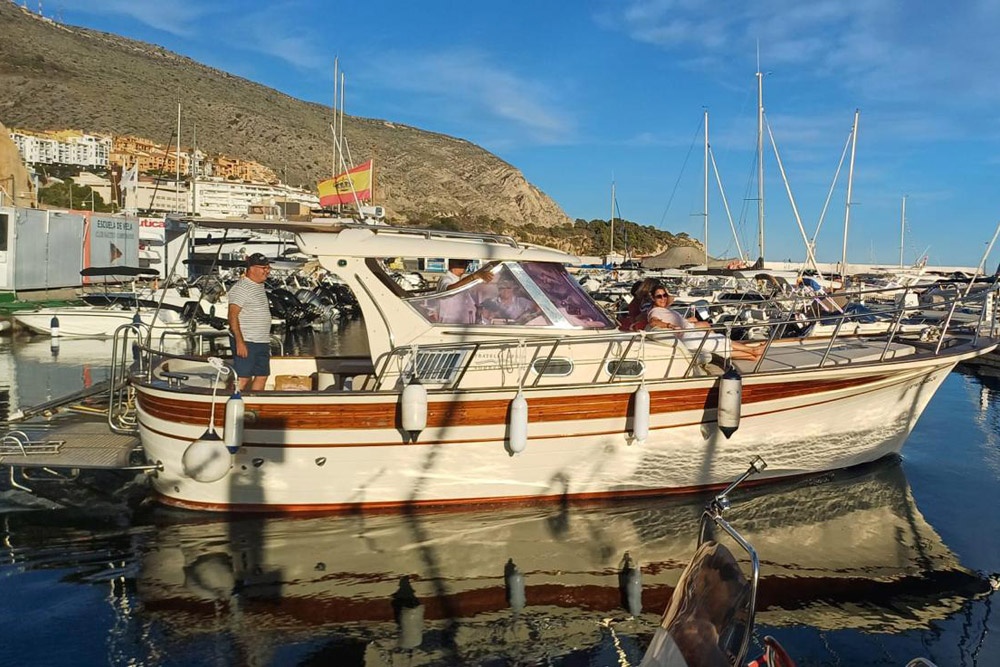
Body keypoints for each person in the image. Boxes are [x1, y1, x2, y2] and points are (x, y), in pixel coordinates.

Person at [647, 288, 763, 361]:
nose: (663, 298)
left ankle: (752, 355)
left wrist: (687, 321)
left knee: (719, 339)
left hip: (689, 333)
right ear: (652, 297)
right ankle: (752, 351)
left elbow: (671, 300)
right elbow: (653, 321)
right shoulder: (655, 311)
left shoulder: (664, 309)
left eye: (664, 295)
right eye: (659, 296)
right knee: (718, 343)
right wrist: (669, 326)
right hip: (687, 338)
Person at [228, 253, 273, 391]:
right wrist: (240, 342)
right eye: (263, 268)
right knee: (242, 378)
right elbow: (232, 316)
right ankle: (231, 404)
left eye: (268, 267)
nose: (267, 270)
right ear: (251, 268)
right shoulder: (241, 288)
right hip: (247, 340)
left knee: (262, 375)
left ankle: (253, 406)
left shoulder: (259, 286)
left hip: (262, 341)